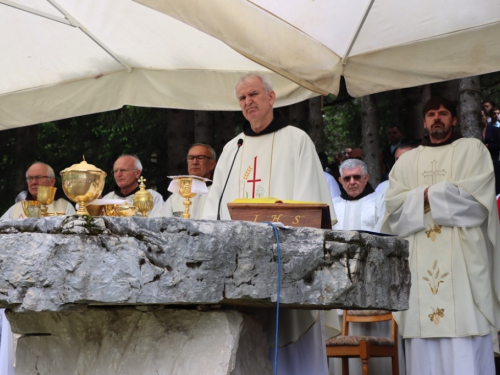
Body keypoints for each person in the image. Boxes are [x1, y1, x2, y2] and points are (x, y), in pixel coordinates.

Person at [203, 73, 338, 375]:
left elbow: (311, 210)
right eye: (242, 98)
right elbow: (214, 210)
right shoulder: (232, 148)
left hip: (287, 269)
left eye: (253, 94)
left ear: (271, 98)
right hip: (240, 271)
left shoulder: (297, 140)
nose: (248, 102)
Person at [383, 97, 500, 375]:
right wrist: (440, 193)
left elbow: (476, 205)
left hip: (464, 267)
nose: (437, 118)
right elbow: (393, 213)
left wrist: (424, 195)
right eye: (432, 114)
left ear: (454, 120)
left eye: (444, 113)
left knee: (466, 339)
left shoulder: (473, 150)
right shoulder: (406, 161)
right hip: (418, 265)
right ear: (424, 122)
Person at [153, 144, 216, 219]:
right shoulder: (176, 197)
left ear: (212, 164)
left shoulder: (217, 193)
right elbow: (162, 222)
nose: (194, 162)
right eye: (191, 158)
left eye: (200, 158)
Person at [0, 162, 75, 219]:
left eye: (38, 177)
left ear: (52, 181)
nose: (33, 182)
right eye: (30, 178)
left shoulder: (65, 207)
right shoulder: (16, 209)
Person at [332, 158, 385, 232]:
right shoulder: (333, 204)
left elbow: (382, 232)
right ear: (341, 181)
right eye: (347, 178)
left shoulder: (380, 201)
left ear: (366, 178)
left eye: (356, 177)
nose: (352, 182)